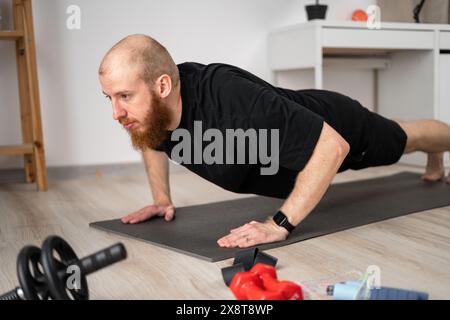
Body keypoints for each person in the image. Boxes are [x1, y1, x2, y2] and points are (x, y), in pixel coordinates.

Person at [98, 34, 450, 249]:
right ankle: (434, 156)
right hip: (297, 120)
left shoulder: (228, 99)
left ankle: (438, 145)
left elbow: (332, 147)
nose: (116, 113)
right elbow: (150, 136)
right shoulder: (156, 110)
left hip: (339, 127)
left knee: (405, 138)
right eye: (109, 98)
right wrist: (162, 198)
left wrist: (279, 224)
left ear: (162, 86)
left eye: (125, 96)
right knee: (405, 137)